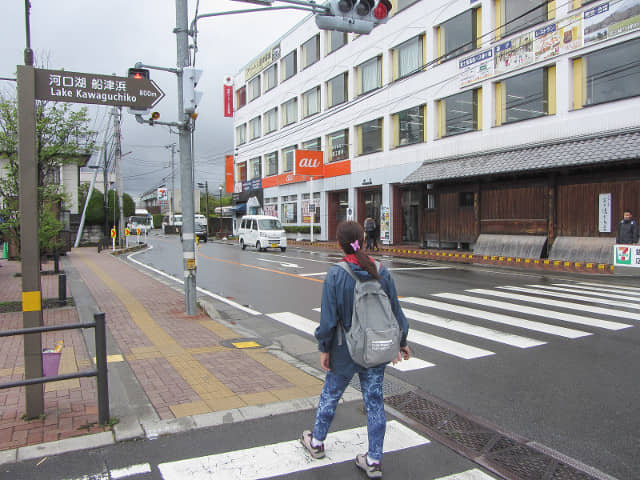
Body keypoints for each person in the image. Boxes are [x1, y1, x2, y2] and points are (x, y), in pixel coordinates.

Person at [300, 220, 411, 479]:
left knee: (331, 395)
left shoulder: (336, 274)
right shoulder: (381, 270)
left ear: (340, 244)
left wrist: (323, 348)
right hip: (375, 349)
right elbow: (396, 312)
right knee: (374, 402)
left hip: (343, 350)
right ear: (362, 239)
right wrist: (402, 342)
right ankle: (373, 461)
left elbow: (328, 322)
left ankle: (316, 443)